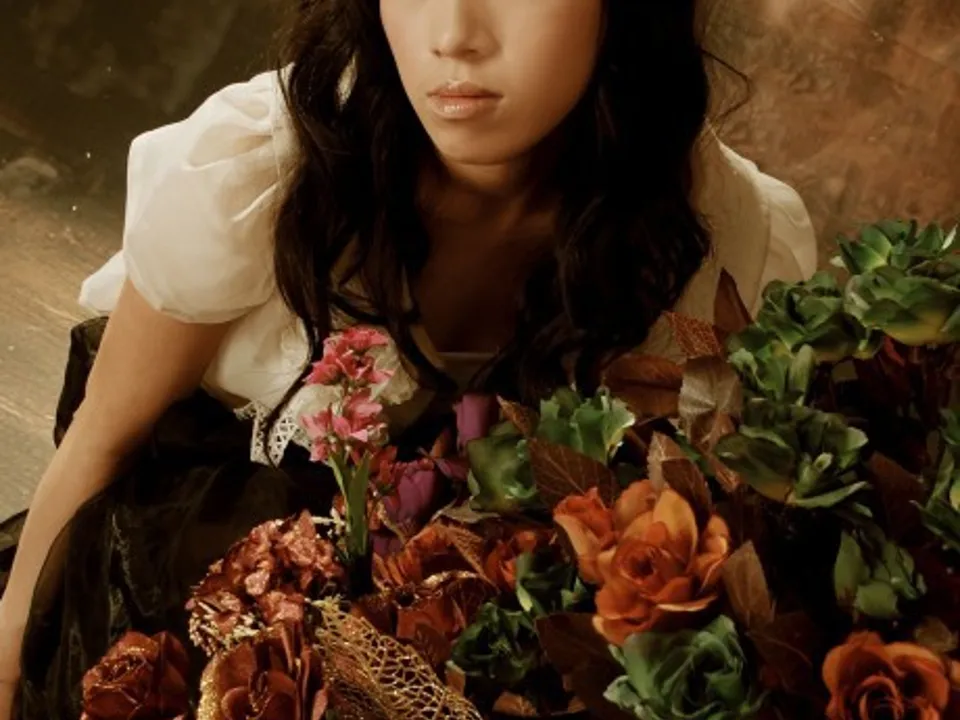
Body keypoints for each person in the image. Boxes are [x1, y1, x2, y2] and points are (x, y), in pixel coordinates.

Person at [0, 0, 817, 717]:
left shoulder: (709, 228)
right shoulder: (267, 166)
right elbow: (103, 436)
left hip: (448, 639)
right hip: (183, 593)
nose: (453, 36)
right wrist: (6, 657)